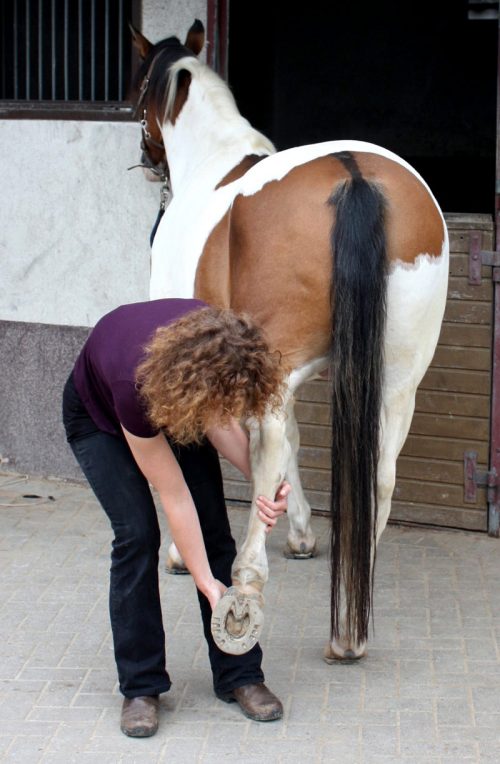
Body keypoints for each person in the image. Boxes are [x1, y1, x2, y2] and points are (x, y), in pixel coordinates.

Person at [62, 297, 290, 737]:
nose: (229, 412)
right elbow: (174, 495)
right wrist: (206, 582)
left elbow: (220, 422)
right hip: (101, 420)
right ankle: (141, 686)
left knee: (213, 529)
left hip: (176, 395)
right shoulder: (134, 383)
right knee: (137, 535)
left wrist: (266, 485)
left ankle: (240, 673)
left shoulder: (216, 345)